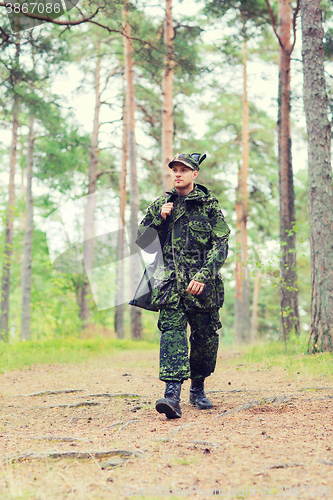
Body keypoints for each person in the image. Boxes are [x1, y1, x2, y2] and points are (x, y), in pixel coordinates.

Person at [135, 153, 230, 419]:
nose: (178, 174)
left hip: (201, 287)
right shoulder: (160, 205)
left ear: (194, 174)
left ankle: (197, 388)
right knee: (172, 336)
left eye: (183, 170)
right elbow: (143, 243)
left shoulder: (209, 206)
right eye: (174, 170)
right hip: (169, 285)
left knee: (205, 339)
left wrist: (203, 275)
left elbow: (221, 245)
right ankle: (171, 396)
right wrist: (158, 219)